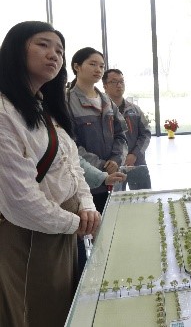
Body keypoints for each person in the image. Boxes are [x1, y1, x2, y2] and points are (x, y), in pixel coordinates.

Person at [0, 21, 100, 327]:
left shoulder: (42, 107)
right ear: (15, 50)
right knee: (37, 312)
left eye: (59, 50)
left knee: (63, 306)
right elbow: (21, 202)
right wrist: (77, 223)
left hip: (61, 228)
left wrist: (86, 205)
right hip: (31, 234)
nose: (54, 55)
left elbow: (72, 166)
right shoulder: (5, 112)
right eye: (42, 45)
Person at [67, 47, 128, 213]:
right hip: (85, 182)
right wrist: (101, 166)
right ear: (77, 67)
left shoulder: (107, 101)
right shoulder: (67, 102)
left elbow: (121, 134)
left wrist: (116, 159)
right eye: (92, 64)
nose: (98, 70)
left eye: (101, 66)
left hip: (112, 177)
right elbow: (70, 146)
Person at [103, 68, 152, 190]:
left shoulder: (134, 109)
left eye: (121, 81)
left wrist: (134, 154)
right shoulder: (101, 111)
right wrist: (116, 159)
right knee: (116, 197)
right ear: (105, 86)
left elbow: (145, 134)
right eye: (114, 82)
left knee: (144, 195)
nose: (119, 85)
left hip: (137, 161)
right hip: (113, 165)